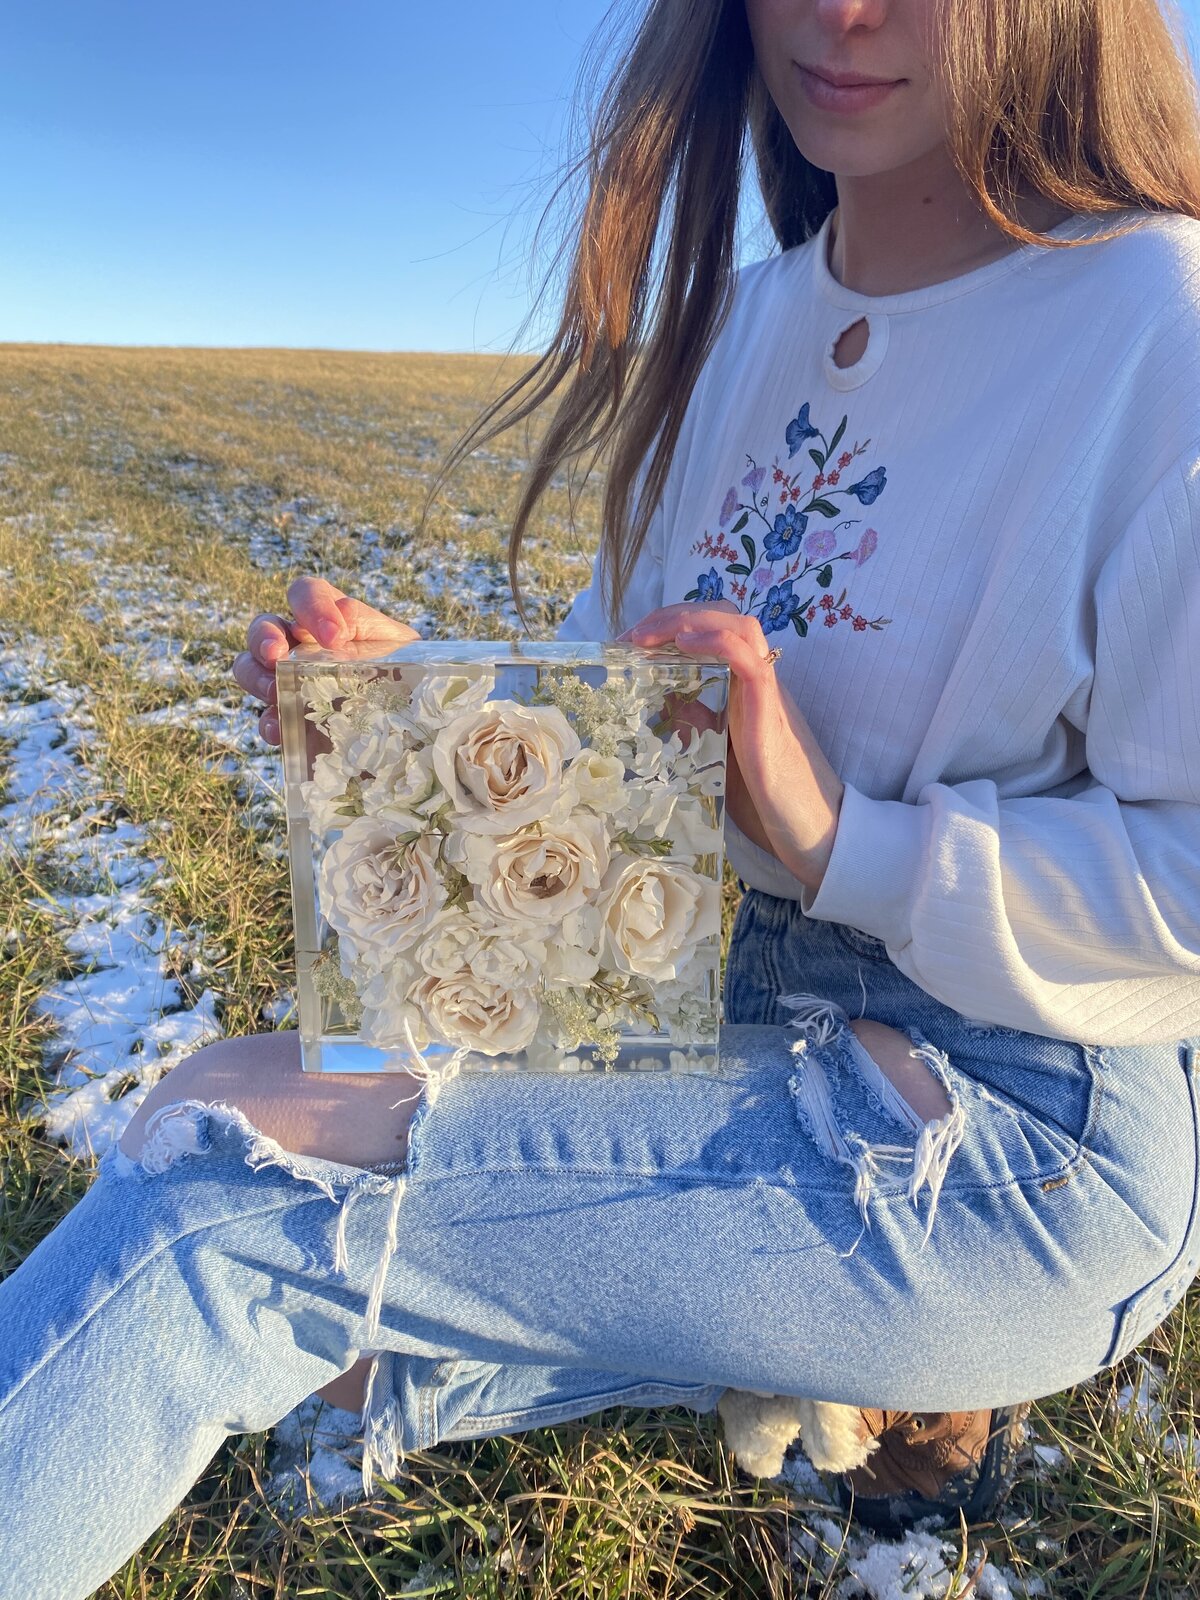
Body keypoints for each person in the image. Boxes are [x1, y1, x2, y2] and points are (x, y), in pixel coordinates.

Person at [3, 0, 1200, 1593]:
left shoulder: (1158, 322)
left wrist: (849, 839)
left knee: (217, 1204)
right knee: (191, 1102)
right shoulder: (740, 323)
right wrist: (407, 714)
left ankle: (889, 1350)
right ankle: (827, 1354)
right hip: (705, 1007)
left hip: (1010, 1128)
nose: (842, 12)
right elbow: (612, 704)